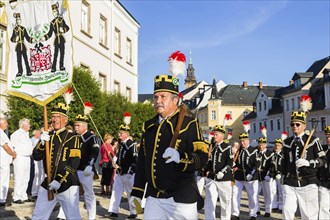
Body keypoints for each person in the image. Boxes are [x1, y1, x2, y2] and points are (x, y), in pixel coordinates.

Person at [130, 74, 208, 220]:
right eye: (156, 97)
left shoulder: (189, 124)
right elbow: (142, 162)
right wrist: (137, 191)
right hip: (154, 197)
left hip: (181, 198)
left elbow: (202, 158)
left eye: (163, 97)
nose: (158, 101)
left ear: (175, 100)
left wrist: (181, 158)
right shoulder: (149, 126)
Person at [31, 102, 81, 220]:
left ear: (65, 120)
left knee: (73, 217)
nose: (54, 119)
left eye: (58, 116)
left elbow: (74, 162)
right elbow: (36, 156)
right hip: (48, 183)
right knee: (38, 215)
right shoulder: (48, 137)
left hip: (67, 183)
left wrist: (59, 179)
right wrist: (41, 143)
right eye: (53, 116)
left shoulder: (73, 138)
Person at [282, 111, 326, 220]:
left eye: (297, 124)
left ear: (304, 126)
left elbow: (322, 160)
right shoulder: (287, 142)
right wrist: (283, 178)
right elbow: (284, 163)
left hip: (308, 182)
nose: (294, 127)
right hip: (290, 183)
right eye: (292, 124)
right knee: (287, 211)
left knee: (309, 216)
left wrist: (309, 163)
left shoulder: (313, 140)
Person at [57, 114, 100, 220]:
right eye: (75, 125)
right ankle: (62, 215)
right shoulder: (74, 137)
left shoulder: (91, 137)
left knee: (88, 193)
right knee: (69, 192)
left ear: (85, 126)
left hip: (86, 169)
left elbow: (95, 151)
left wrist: (90, 164)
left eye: (78, 125)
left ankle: (91, 216)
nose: (75, 127)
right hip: (74, 169)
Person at [107, 124, 138, 219]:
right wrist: (115, 160)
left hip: (128, 173)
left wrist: (130, 171)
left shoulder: (131, 144)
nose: (119, 135)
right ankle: (113, 211)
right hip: (120, 172)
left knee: (131, 193)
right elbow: (120, 156)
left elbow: (135, 159)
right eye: (119, 133)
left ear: (127, 134)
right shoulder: (121, 144)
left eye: (121, 133)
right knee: (116, 190)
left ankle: (134, 212)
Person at [204, 125, 233, 220]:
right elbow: (211, 161)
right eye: (214, 134)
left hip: (224, 179)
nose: (214, 136)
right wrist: (207, 170)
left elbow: (230, 162)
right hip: (212, 178)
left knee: (225, 202)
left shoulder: (227, 147)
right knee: (209, 200)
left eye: (216, 134)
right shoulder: (214, 147)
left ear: (222, 136)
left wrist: (223, 172)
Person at [231, 133, 259, 220]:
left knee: (252, 196)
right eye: (241, 141)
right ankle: (235, 213)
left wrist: (252, 173)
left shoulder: (254, 150)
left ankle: (253, 214)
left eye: (244, 141)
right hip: (239, 176)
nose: (242, 143)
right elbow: (235, 162)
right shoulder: (239, 150)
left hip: (250, 176)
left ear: (248, 141)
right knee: (235, 194)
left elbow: (257, 164)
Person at [10, 118, 33, 204]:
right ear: (23, 125)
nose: (30, 126)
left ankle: (24, 195)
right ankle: (17, 197)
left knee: (26, 178)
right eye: (28, 124)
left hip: (27, 157)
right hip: (20, 157)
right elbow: (13, 147)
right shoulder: (16, 134)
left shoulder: (26, 134)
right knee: (19, 177)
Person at [43, 2, 70, 72]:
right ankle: (54, 67)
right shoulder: (52, 23)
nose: (54, 13)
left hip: (61, 39)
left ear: (57, 11)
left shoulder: (61, 20)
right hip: (56, 39)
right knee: (55, 54)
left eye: (55, 11)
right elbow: (50, 33)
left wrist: (63, 30)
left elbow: (67, 27)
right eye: (53, 12)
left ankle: (61, 66)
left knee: (62, 53)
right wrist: (45, 37)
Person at [10, 13, 34, 77]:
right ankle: (20, 71)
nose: (18, 21)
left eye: (19, 20)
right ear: (16, 21)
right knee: (19, 60)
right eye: (17, 20)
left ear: (21, 20)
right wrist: (15, 39)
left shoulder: (23, 29)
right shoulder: (15, 29)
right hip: (18, 46)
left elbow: (27, 37)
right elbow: (11, 38)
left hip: (23, 46)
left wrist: (32, 40)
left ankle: (28, 71)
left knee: (25, 59)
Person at [0, 113, 16, 206]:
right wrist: (12, 153)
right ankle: (2, 199)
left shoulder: (2, 133)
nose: (7, 125)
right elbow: (5, 146)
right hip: (3, 160)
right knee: (4, 179)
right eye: (5, 123)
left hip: (4, 159)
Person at [255, 137, 274, 218]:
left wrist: (269, 175)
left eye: (262, 145)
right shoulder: (256, 153)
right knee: (255, 194)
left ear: (265, 145)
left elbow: (272, 165)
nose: (261, 146)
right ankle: (257, 209)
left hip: (266, 176)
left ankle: (267, 210)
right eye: (260, 145)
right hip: (257, 176)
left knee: (267, 194)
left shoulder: (270, 153)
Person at [317, 125, 330, 219]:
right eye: (327, 136)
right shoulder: (322, 149)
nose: (328, 138)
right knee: (323, 205)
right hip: (324, 182)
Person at [270, 138, 284, 213]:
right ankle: (274, 206)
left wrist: (280, 173)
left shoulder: (283, 155)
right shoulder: (272, 154)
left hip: (281, 175)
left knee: (281, 191)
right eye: (275, 145)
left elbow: (285, 165)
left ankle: (281, 207)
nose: (276, 147)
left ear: (281, 146)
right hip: (273, 175)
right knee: (273, 191)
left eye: (278, 145)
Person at [30, 129, 43, 201]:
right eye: (40, 133)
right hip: (37, 160)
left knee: (41, 176)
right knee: (36, 176)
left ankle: (38, 191)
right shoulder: (36, 141)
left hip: (41, 161)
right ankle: (34, 192)